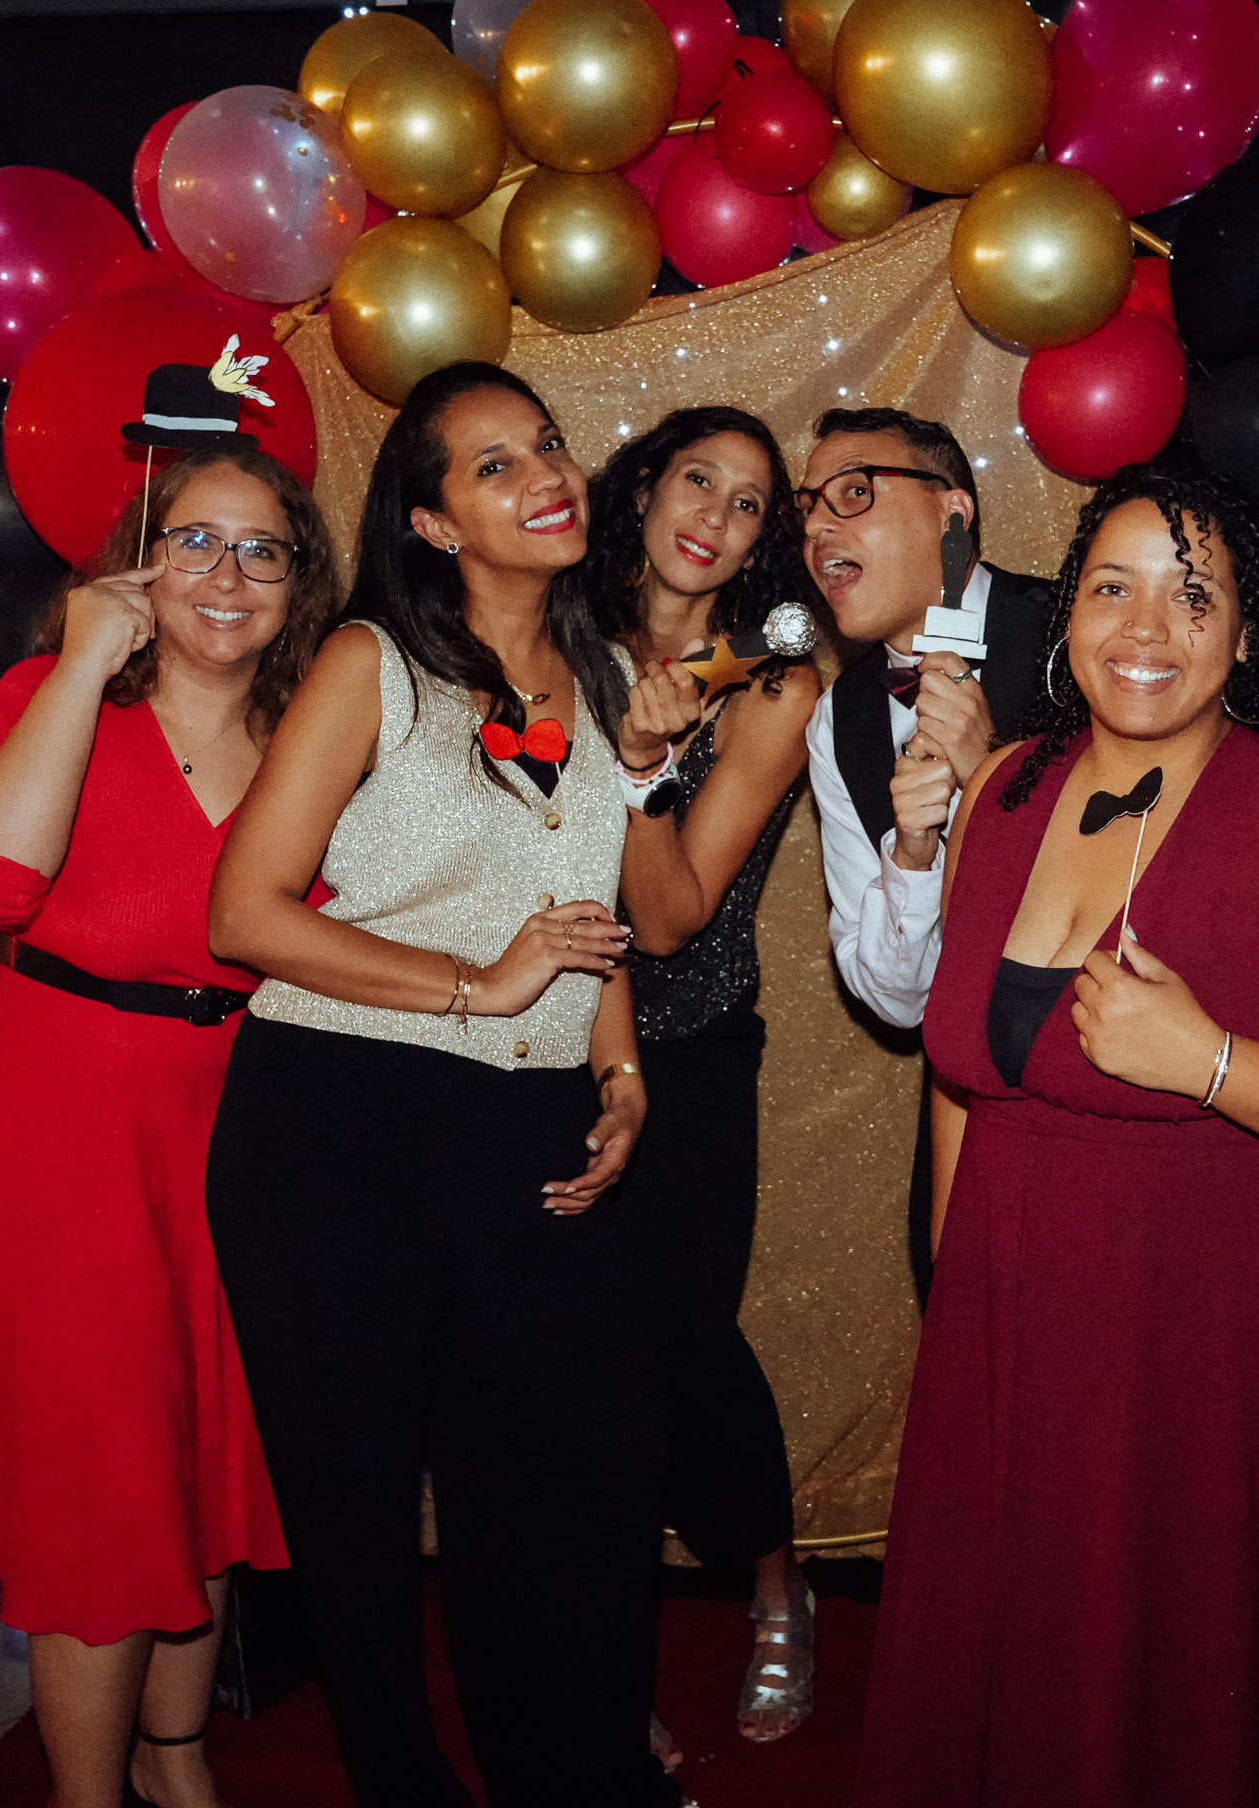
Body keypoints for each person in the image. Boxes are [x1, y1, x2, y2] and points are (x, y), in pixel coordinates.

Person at [858, 465, 1259, 1808]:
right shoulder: (1002, 792)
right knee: (1028, 1695)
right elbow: (962, 1078)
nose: (1146, 628)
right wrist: (962, 1313)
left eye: (1193, 599)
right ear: (1067, 618)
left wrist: (1209, 1062)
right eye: (1113, 588)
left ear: (1247, 638)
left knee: (1202, 1710)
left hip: (1243, 1367)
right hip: (1026, 1342)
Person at [203, 362, 676, 1807]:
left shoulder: (604, 679)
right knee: (354, 1506)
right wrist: (478, 983)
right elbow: (245, 912)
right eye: (492, 465)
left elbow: (593, 914)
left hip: (524, 1122)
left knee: (549, 1487)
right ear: (430, 522)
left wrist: (621, 1073)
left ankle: (570, 1773)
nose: (546, 474)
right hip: (337, 1119)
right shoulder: (372, 663)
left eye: (547, 444)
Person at [0, 440, 341, 1808]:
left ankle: (175, 1760)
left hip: (233, 1127)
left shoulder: (313, 740)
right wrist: (83, 663)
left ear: (299, 581)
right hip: (61, 1126)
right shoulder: (52, 696)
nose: (227, 573)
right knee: (104, 1487)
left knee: (197, 1461)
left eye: (262, 549)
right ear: (138, 562)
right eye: (194, 540)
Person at [567, 407, 823, 1748]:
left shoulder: (771, 683)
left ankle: (776, 1585)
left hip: (691, 1047)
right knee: (569, 1377)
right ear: (642, 490)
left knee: (682, 1350)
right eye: (695, 480)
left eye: (746, 502)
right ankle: (604, 1669)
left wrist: (641, 766)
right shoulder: (550, 637)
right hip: (536, 1036)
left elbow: (666, 920)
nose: (713, 515)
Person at [797, 406, 1054, 1030]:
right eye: (806, 508)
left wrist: (989, 774)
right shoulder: (837, 720)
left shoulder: (1078, 638)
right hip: (965, 1072)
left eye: (854, 492)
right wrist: (912, 858)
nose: (816, 527)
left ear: (953, 517)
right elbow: (898, 1004)